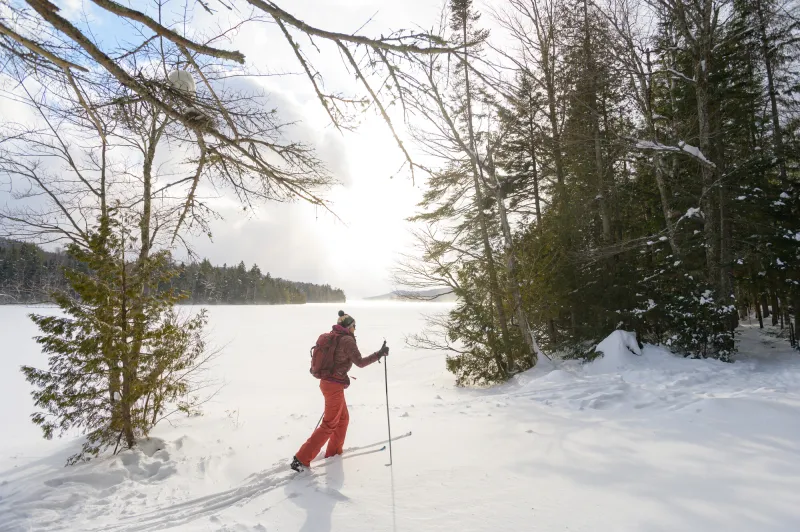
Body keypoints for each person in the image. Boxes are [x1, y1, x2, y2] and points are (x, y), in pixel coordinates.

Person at [291, 310, 389, 472]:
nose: (355, 329)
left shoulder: (333, 336)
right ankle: (301, 459)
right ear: (348, 327)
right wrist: (379, 354)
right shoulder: (346, 341)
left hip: (328, 383)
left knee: (343, 419)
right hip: (333, 387)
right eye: (354, 326)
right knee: (329, 424)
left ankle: (334, 453)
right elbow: (360, 362)